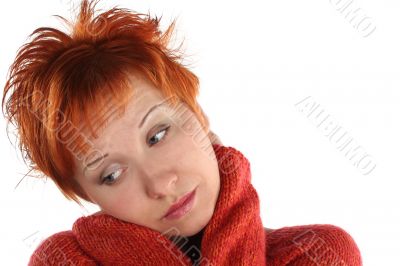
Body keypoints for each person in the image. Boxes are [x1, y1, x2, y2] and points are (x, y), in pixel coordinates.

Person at [2, 0, 362, 265]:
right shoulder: (62, 260)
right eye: (111, 174)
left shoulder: (317, 254)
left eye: (158, 135)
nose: (159, 185)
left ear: (197, 115)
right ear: (85, 193)